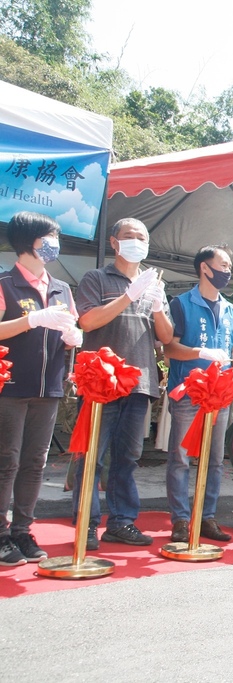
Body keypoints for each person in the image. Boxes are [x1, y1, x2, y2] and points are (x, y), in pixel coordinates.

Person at [72, 218, 172, 549]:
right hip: (100, 382)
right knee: (92, 456)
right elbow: (87, 320)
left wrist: (156, 305)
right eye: (129, 237)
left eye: (142, 238)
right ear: (114, 243)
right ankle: (86, 523)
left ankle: (121, 522)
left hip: (139, 382)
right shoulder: (96, 278)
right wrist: (130, 295)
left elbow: (166, 338)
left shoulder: (154, 282)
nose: (136, 243)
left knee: (127, 458)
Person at [0, 212, 80, 566]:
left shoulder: (61, 288)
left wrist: (72, 339)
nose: (54, 245)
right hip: (10, 386)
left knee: (36, 462)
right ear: (28, 242)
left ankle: (22, 529)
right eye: (49, 238)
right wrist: (30, 320)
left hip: (49, 387)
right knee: (7, 461)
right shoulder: (4, 282)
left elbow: (70, 331)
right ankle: (1, 534)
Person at [163, 244, 233, 543]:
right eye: (223, 264)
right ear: (204, 268)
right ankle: (181, 519)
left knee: (215, 460)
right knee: (181, 458)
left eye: (229, 265)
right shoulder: (181, 304)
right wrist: (200, 352)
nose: (227, 270)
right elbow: (169, 348)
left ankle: (207, 516)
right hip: (188, 392)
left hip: (220, 394)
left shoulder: (231, 310)